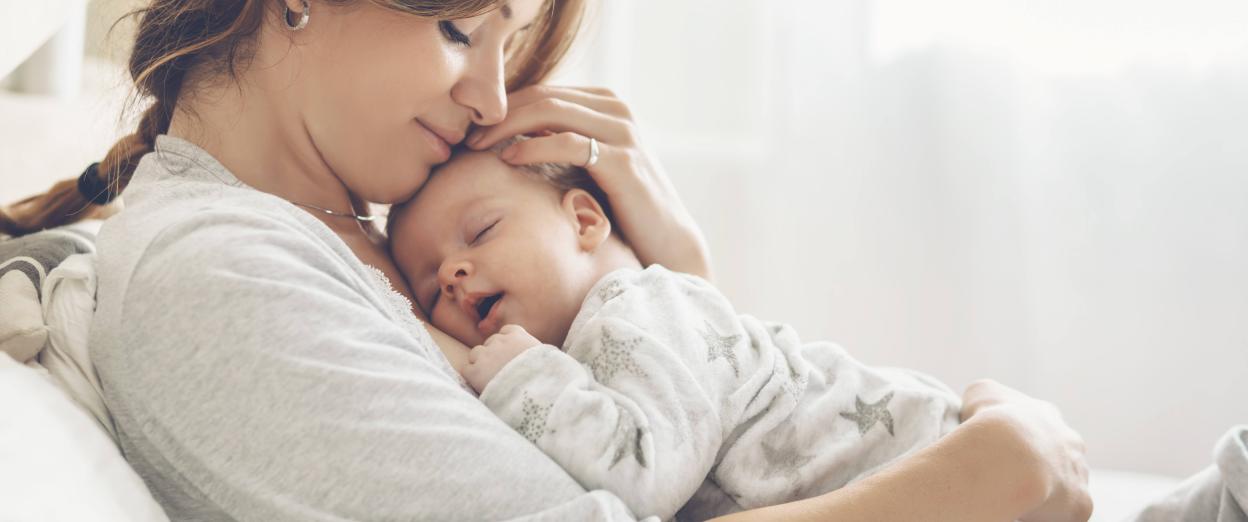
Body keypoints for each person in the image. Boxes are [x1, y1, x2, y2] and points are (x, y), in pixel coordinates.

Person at [0, 1, 1092, 520]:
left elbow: (665, 470)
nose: (488, 95)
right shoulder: (218, 277)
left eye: (506, 51)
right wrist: (989, 470)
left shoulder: (377, 237)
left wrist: (680, 281)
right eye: (458, 30)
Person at [387, 141, 965, 520]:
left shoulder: (638, 304)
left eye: (481, 231)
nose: (451, 274)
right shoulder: (606, 341)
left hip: (937, 458)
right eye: (432, 290)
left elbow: (645, 479)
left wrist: (524, 375)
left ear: (584, 220)